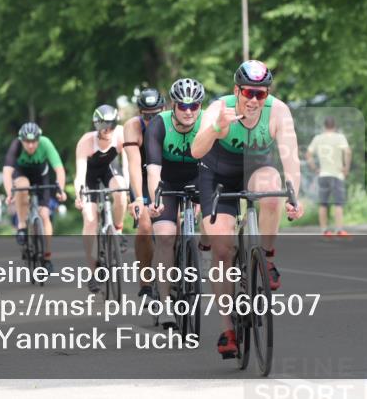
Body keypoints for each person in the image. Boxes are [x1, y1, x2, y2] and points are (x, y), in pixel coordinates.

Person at [191, 60, 304, 358]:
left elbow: (290, 158)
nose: (253, 100)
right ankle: (227, 329)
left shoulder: (278, 111)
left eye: (260, 94)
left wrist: (294, 195)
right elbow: (196, 150)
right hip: (217, 175)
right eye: (248, 93)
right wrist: (217, 128)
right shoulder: (219, 108)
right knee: (222, 248)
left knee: (271, 191)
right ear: (236, 90)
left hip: (256, 167)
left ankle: (266, 257)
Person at [145, 78, 207, 329]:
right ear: (174, 105)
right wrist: (156, 201)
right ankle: (164, 300)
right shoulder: (158, 124)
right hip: (167, 183)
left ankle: (195, 253)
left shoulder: (207, 124)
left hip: (197, 178)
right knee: (165, 235)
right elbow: (153, 172)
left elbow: (213, 166)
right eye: (183, 106)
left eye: (195, 106)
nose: (189, 111)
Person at [74, 104, 128, 293]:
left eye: (112, 126)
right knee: (90, 219)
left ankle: (118, 230)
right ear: (96, 127)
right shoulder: (86, 142)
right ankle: (92, 271)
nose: (109, 131)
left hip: (110, 171)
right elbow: (80, 174)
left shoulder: (121, 134)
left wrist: (132, 191)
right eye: (104, 127)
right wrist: (79, 194)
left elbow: (128, 165)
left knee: (121, 191)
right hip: (90, 177)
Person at [3, 122, 67, 271]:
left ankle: (47, 257)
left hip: (41, 175)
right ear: (21, 140)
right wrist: (8, 193)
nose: (31, 146)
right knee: (22, 186)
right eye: (27, 142)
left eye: (34, 142)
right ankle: (22, 225)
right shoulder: (16, 145)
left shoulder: (46, 143)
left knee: (45, 214)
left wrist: (61, 190)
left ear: (39, 139)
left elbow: (59, 169)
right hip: (22, 173)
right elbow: (7, 172)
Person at [124, 86, 165, 299]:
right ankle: (146, 281)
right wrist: (139, 198)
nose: (151, 120)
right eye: (147, 116)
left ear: (164, 110)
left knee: (174, 222)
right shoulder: (132, 127)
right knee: (145, 225)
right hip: (141, 178)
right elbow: (133, 164)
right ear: (140, 114)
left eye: (156, 115)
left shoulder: (172, 123)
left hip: (165, 177)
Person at [306, 116, 352, 238]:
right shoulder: (340, 137)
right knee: (338, 203)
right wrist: (346, 168)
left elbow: (308, 154)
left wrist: (314, 168)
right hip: (337, 174)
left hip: (323, 174)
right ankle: (339, 229)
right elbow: (348, 152)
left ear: (324, 126)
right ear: (335, 126)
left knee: (323, 204)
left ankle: (324, 230)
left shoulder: (318, 138)